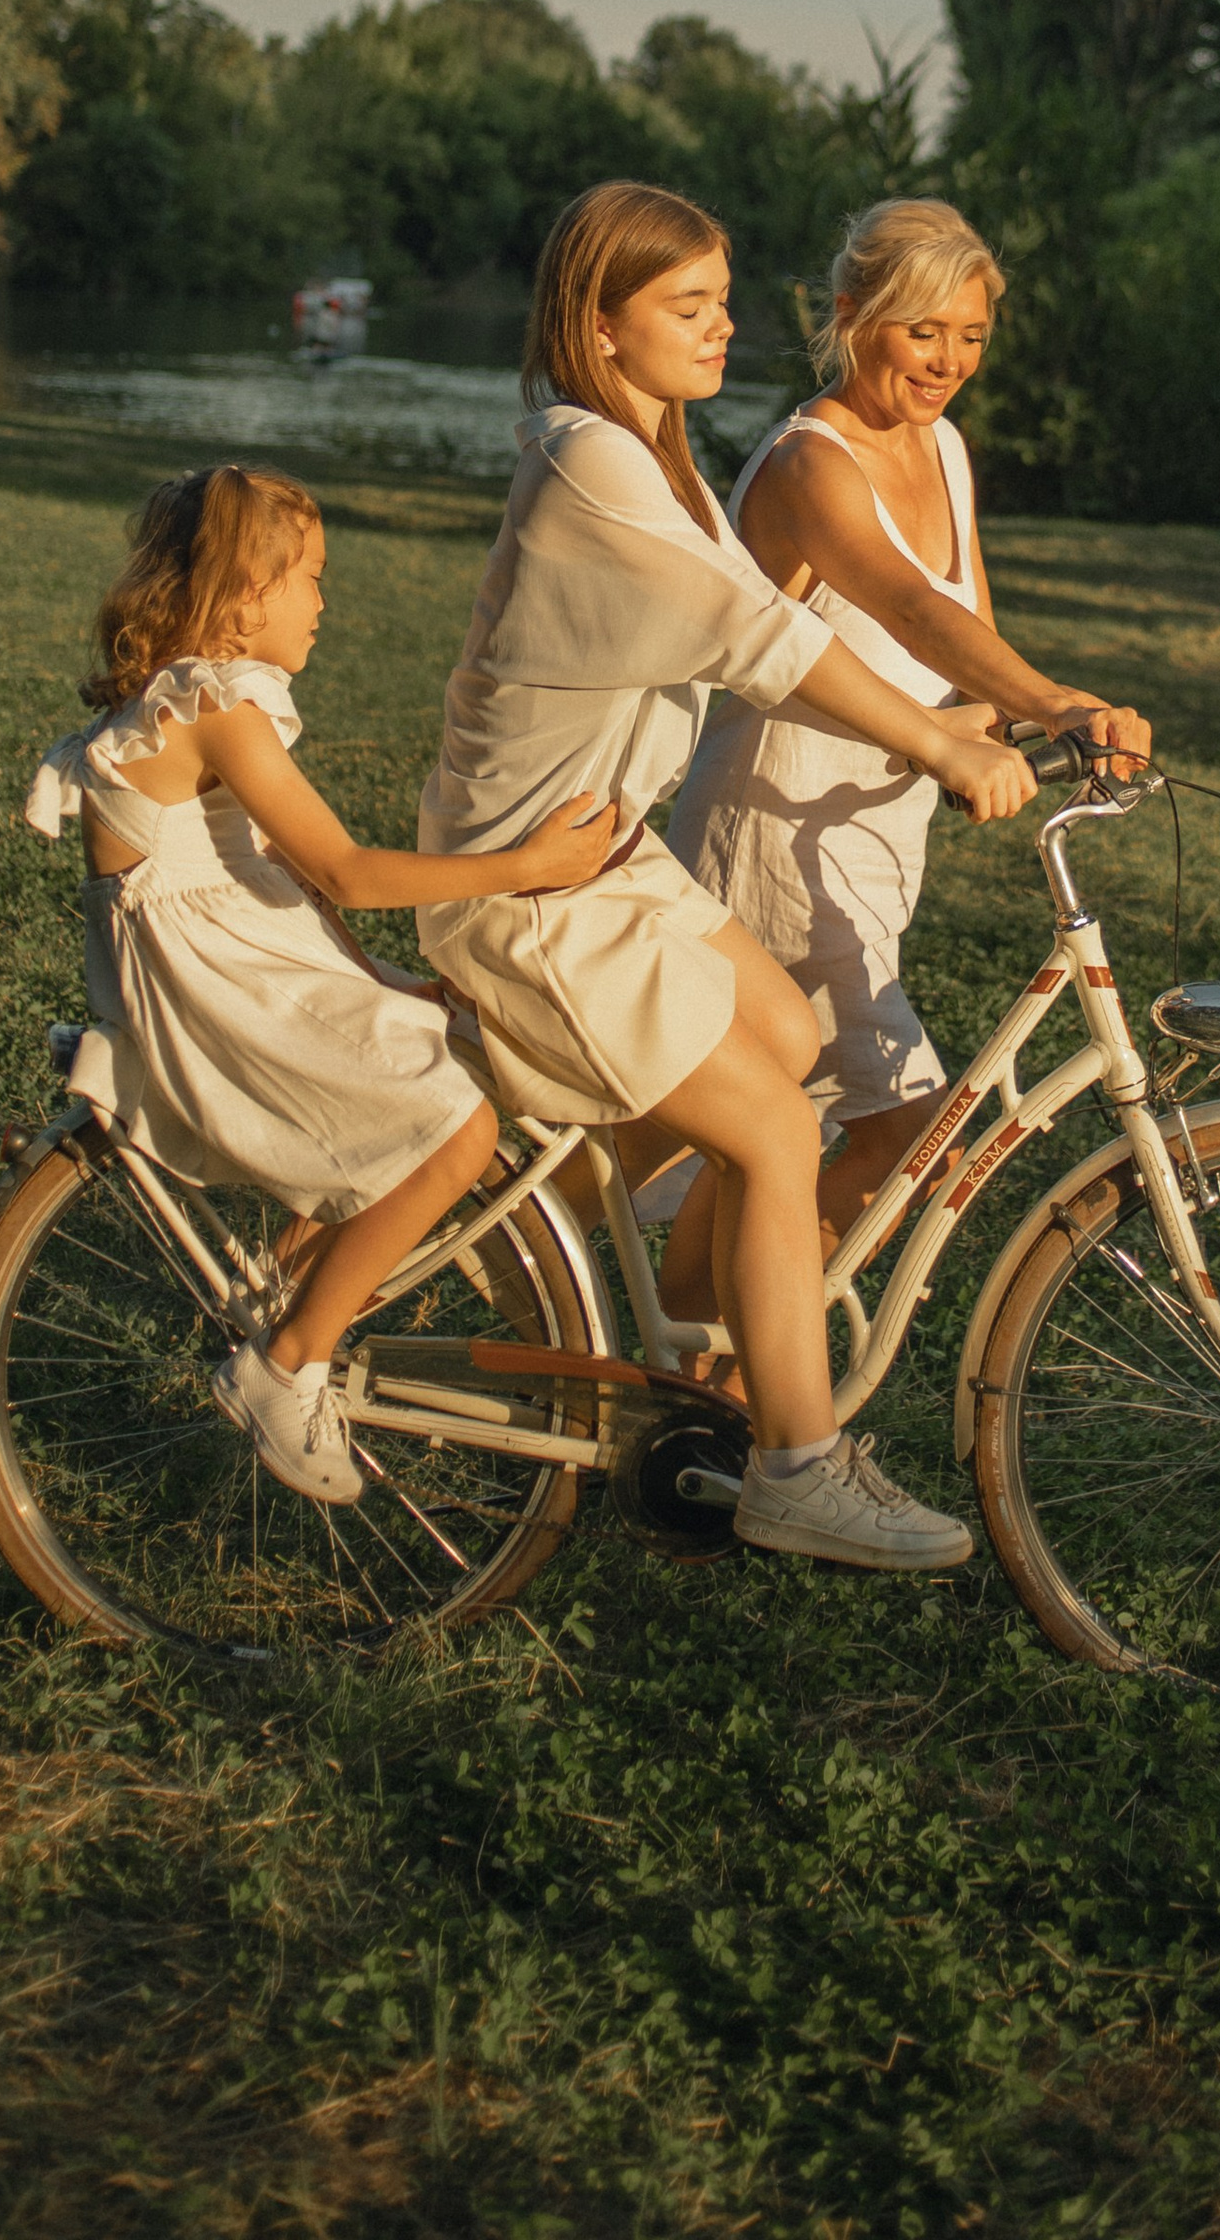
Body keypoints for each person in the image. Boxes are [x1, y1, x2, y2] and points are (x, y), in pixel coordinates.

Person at [413, 180, 1036, 1573]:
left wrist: (987, 719)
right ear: (601, 324)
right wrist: (948, 732)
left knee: (791, 1047)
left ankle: (677, 1329)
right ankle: (796, 1463)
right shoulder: (598, 465)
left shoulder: (658, 453)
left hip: (602, 856)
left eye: (722, 300)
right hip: (536, 878)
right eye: (689, 307)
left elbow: (886, 622)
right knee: (779, 1129)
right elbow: (770, 641)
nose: (725, 327)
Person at [25, 462, 617, 1509]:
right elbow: (342, 868)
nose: (325, 601)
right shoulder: (214, 707)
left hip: (246, 952)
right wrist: (529, 869)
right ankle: (288, 1362)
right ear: (246, 597)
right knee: (455, 1130)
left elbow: (288, 879)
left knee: (447, 1037)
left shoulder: (195, 698)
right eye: (310, 577)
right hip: (215, 981)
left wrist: (385, 979)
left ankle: (297, 1278)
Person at [663, 198, 1150, 1309]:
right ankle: (731, 1379)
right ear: (850, 317)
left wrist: (1045, 716)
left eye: (970, 336)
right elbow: (907, 610)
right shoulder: (806, 465)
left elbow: (966, 649)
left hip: (873, 840)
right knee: (898, 1127)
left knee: (742, 1127)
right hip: (771, 838)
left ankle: (695, 1375)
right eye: (921, 331)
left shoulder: (945, 449)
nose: (947, 362)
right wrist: (1063, 700)